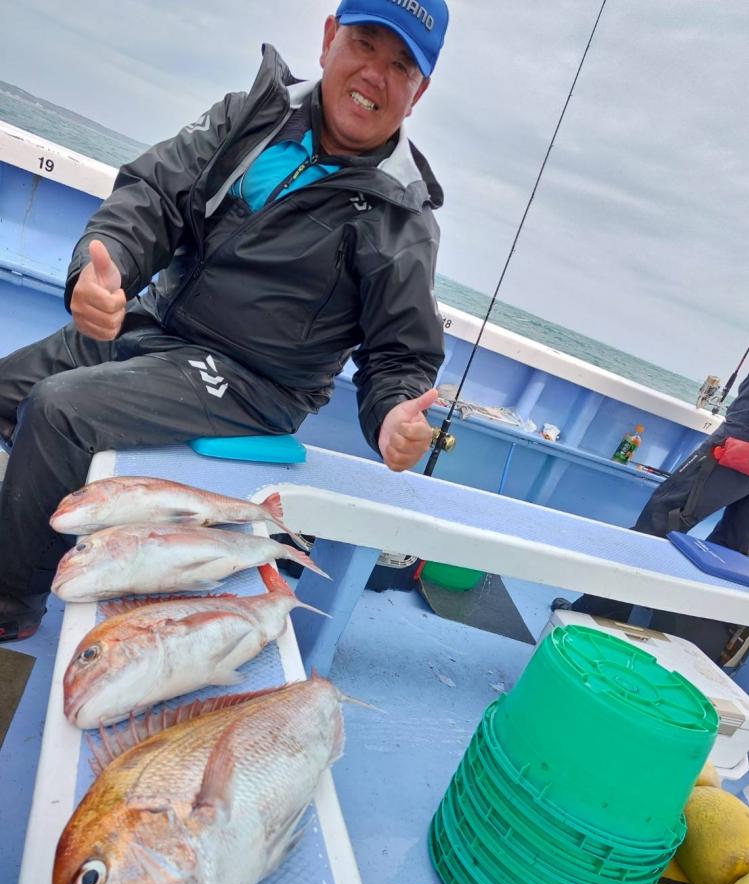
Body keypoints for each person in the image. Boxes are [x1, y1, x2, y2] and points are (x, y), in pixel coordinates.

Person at [0, 0, 450, 641]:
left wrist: (394, 415)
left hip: (252, 381)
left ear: (418, 92)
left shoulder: (401, 219)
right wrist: (105, 270)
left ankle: (9, 604)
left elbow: (400, 355)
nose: (376, 74)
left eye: (402, 65)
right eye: (365, 44)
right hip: (156, 324)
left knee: (59, 410)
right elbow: (156, 196)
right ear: (329, 39)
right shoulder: (253, 117)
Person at [553, 371, 749, 662]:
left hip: (740, 442)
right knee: (732, 555)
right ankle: (684, 645)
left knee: (659, 522)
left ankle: (596, 612)